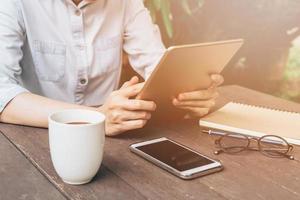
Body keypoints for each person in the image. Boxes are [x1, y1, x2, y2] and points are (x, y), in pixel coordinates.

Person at [0, 0, 223, 136]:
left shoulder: (126, 2)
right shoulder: (14, 3)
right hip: (34, 135)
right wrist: (97, 117)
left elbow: (158, 65)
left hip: (113, 137)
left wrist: (190, 93)